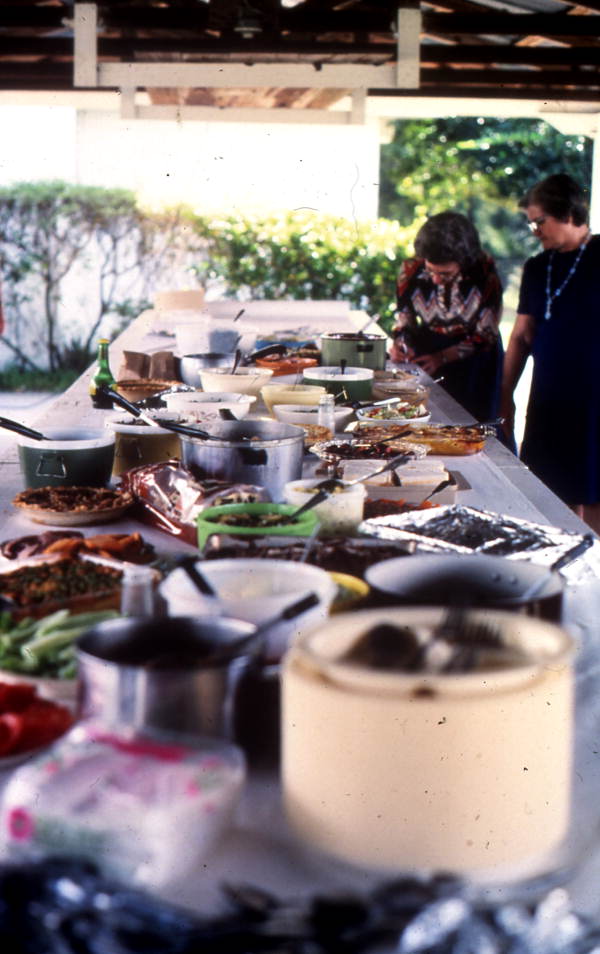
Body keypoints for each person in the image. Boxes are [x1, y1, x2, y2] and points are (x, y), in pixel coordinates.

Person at [500, 173, 600, 531]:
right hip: (549, 397)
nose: (535, 231)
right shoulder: (537, 266)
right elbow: (522, 336)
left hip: (595, 399)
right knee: (551, 493)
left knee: (594, 491)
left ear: (569, 213)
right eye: (530, 224)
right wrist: (504, 394)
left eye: (540, 221)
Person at [390, 211, 504, 423]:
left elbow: (485, 335)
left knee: (474, 426)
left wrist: (443, 357)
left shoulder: (484, 273)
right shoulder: (411, 269)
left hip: (475, 361)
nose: (435, 280)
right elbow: (404, 318)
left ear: (464, 262)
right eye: (430, 270)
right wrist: (401, 344)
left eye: (445, 274)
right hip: (429, 352)